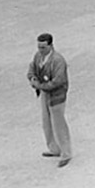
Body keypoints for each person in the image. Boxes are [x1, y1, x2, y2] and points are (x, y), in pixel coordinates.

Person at [26, 32, 71, 168]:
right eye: (39, 47)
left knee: (58, 124)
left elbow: (58, 81)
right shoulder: (38, 56)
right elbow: (31, 69)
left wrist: (40, 85)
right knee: (47, 122)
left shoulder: (58, 60)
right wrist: (32, 78)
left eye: (43, 47)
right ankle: (54, 148)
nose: (40, 50)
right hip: (45, 93)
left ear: (51, 46)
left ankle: (66, 153)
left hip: (56, 95)